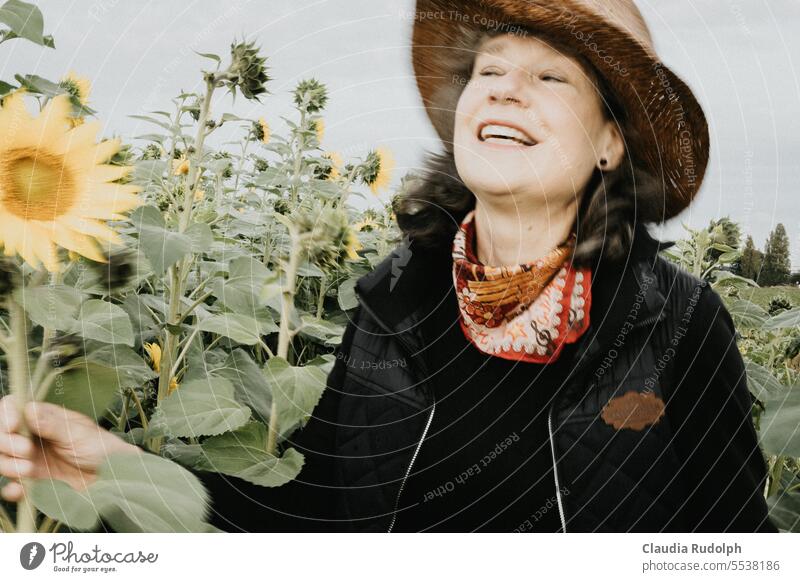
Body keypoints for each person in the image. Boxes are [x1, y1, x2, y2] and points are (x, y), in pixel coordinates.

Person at [0, 0, 778, 533]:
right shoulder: (391, 307)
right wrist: (118, 470)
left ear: (611, 141)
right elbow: (313, 522)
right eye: (489, 71)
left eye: (550, 78)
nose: (505, 90)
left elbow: (734, 545)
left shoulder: (673, 319)